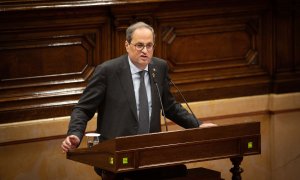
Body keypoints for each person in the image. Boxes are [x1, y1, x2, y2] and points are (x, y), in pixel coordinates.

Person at [61, 21, 215, 179]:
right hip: (116, 155)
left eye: (149, 46)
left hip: (150, 155)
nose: (145, 51)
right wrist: (75, 134)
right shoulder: (108, 71)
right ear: (127, 45)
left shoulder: (159, 68)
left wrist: (198, 125)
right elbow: (83, 109)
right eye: (139, 45)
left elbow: (170, 107)